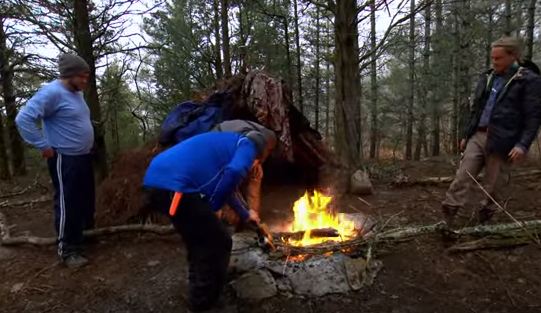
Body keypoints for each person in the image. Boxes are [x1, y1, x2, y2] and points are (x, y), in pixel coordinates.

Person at [142, 129, 276, 312]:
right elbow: (234, 171)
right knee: (220, 242)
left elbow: (226, 186)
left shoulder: (227, 145)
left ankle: (199, 295)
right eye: (257, 161)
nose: (253, 164)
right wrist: (214, 207)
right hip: (175, 187)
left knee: (198, 242)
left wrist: (246, 215)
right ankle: (205, 303)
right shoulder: (249, 146)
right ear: (260, 153)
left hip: (158, 182)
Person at [441, 37, 541, 228]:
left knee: (493, 185)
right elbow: (477, 108)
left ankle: (486, 223)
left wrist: (522, 145)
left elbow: (533, 117)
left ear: (514, 56)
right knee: (462, 177)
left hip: (505, 140)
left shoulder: (529, 81)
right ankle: (449, 217)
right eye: (492, 58)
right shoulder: (488, 77)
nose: (494, 62)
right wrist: (466, 134)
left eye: (498, 58)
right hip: (477, 136)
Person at [16, 54, 95, 268]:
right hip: (64, 158)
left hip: (82, 157)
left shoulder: (76, 93)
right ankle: (67, 250)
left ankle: (82, 236)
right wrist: (43, 145)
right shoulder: (52, 92)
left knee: (83, 200)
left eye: (87, 76)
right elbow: (23, 119)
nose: (85, 80)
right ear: (69, 74)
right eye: (82, 76)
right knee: (67, 202)